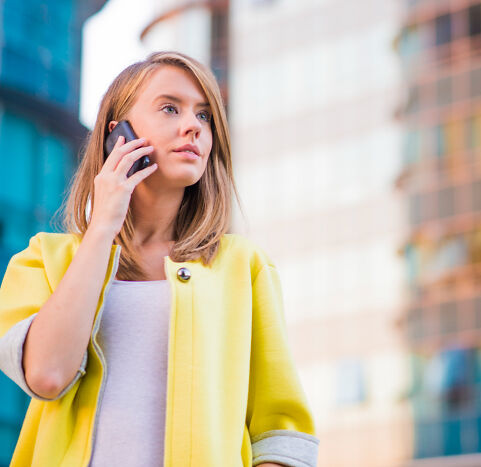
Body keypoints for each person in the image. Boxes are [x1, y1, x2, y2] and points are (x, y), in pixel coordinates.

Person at [0, 51, 318, 467]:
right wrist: (101, 230)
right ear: (120, 135)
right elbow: (46, 375)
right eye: (170, 108)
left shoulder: (244, 267)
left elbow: (281, 434)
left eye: (204, 116)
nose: (193, 126)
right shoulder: (42, 258)